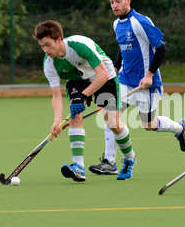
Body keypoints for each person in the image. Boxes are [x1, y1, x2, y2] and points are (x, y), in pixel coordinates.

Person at [88, 0, 185, 176]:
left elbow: (161, 48)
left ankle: (180, 129)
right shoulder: (117, 24)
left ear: (128, 0)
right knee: (110, 117)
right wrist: (116, 69)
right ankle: (109, 162)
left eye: (118, 1)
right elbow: (122, 48)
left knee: (148, 125)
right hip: (125, 80)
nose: (115, 6)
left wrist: (150, 75)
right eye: (111, 2)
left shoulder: (141, 22)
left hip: (147, 85)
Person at [33, 20, 136, 181]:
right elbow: (56, 95)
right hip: (77, 80)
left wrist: (84, 95)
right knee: (75, 115)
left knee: (112, 123)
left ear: (59, 39)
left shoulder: (79, 46)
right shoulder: (50, 64)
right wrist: (56, 121)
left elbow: (101, 74)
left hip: (104, 77)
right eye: (42, 46)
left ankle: (129, 159)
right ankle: (78, 167)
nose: (46, 50)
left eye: (48, 45)